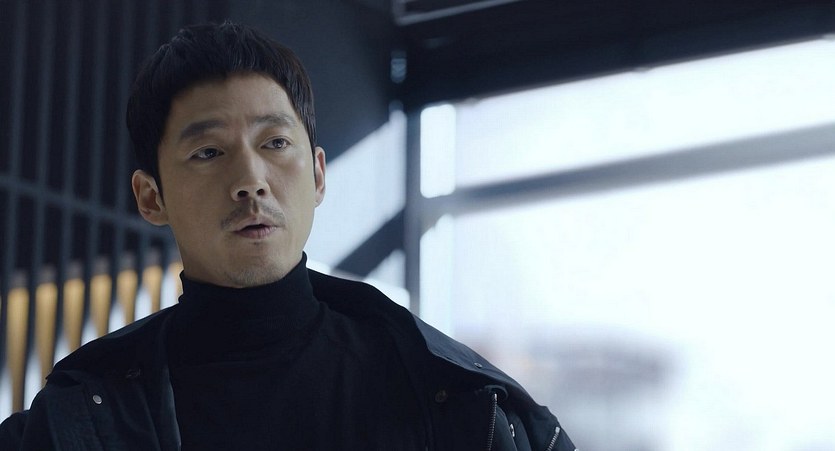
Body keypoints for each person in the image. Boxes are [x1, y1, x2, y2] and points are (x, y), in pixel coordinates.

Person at [0, 22, 576, 450]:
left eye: (275, 143)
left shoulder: (455, 398)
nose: (250, 180)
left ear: (319, 175)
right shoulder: (77, 421)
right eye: (208, 152)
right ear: (152, 198)